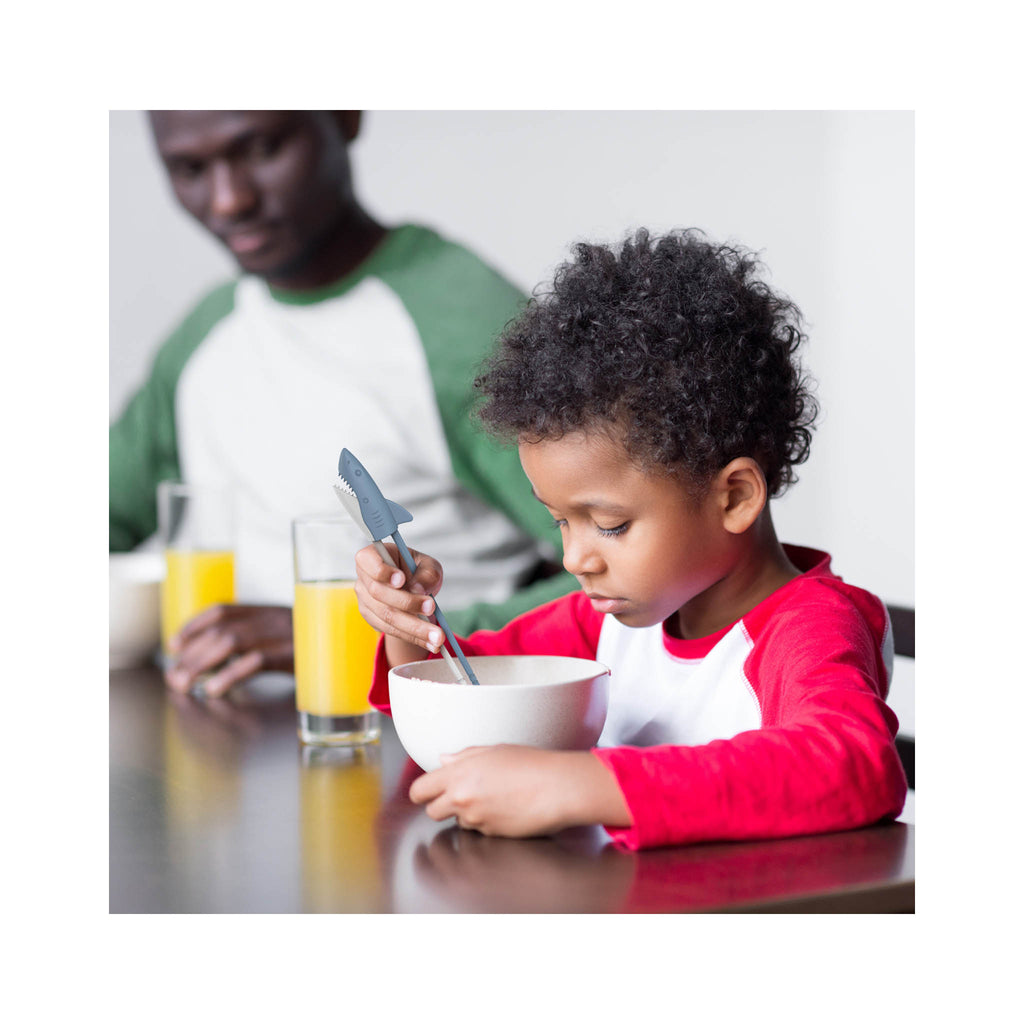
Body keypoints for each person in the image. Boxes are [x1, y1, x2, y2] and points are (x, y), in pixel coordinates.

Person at [354, 227, 908, 850]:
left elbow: (853, 765)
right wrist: (407, 623)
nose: (575, 559)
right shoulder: (604, 623)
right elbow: (463, 689)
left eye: (611, 525)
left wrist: (579, 785)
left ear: (733, 498)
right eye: (561, 521)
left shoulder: (809, 627)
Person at [109, 110, 574, 697]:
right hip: (219, 726)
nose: (228, 200)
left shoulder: (463, 325)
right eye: (190, 169)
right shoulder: (206, 331)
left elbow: (625, 575)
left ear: (345, 116)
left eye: (262, 149)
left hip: (412, 730)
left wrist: (345, 639)